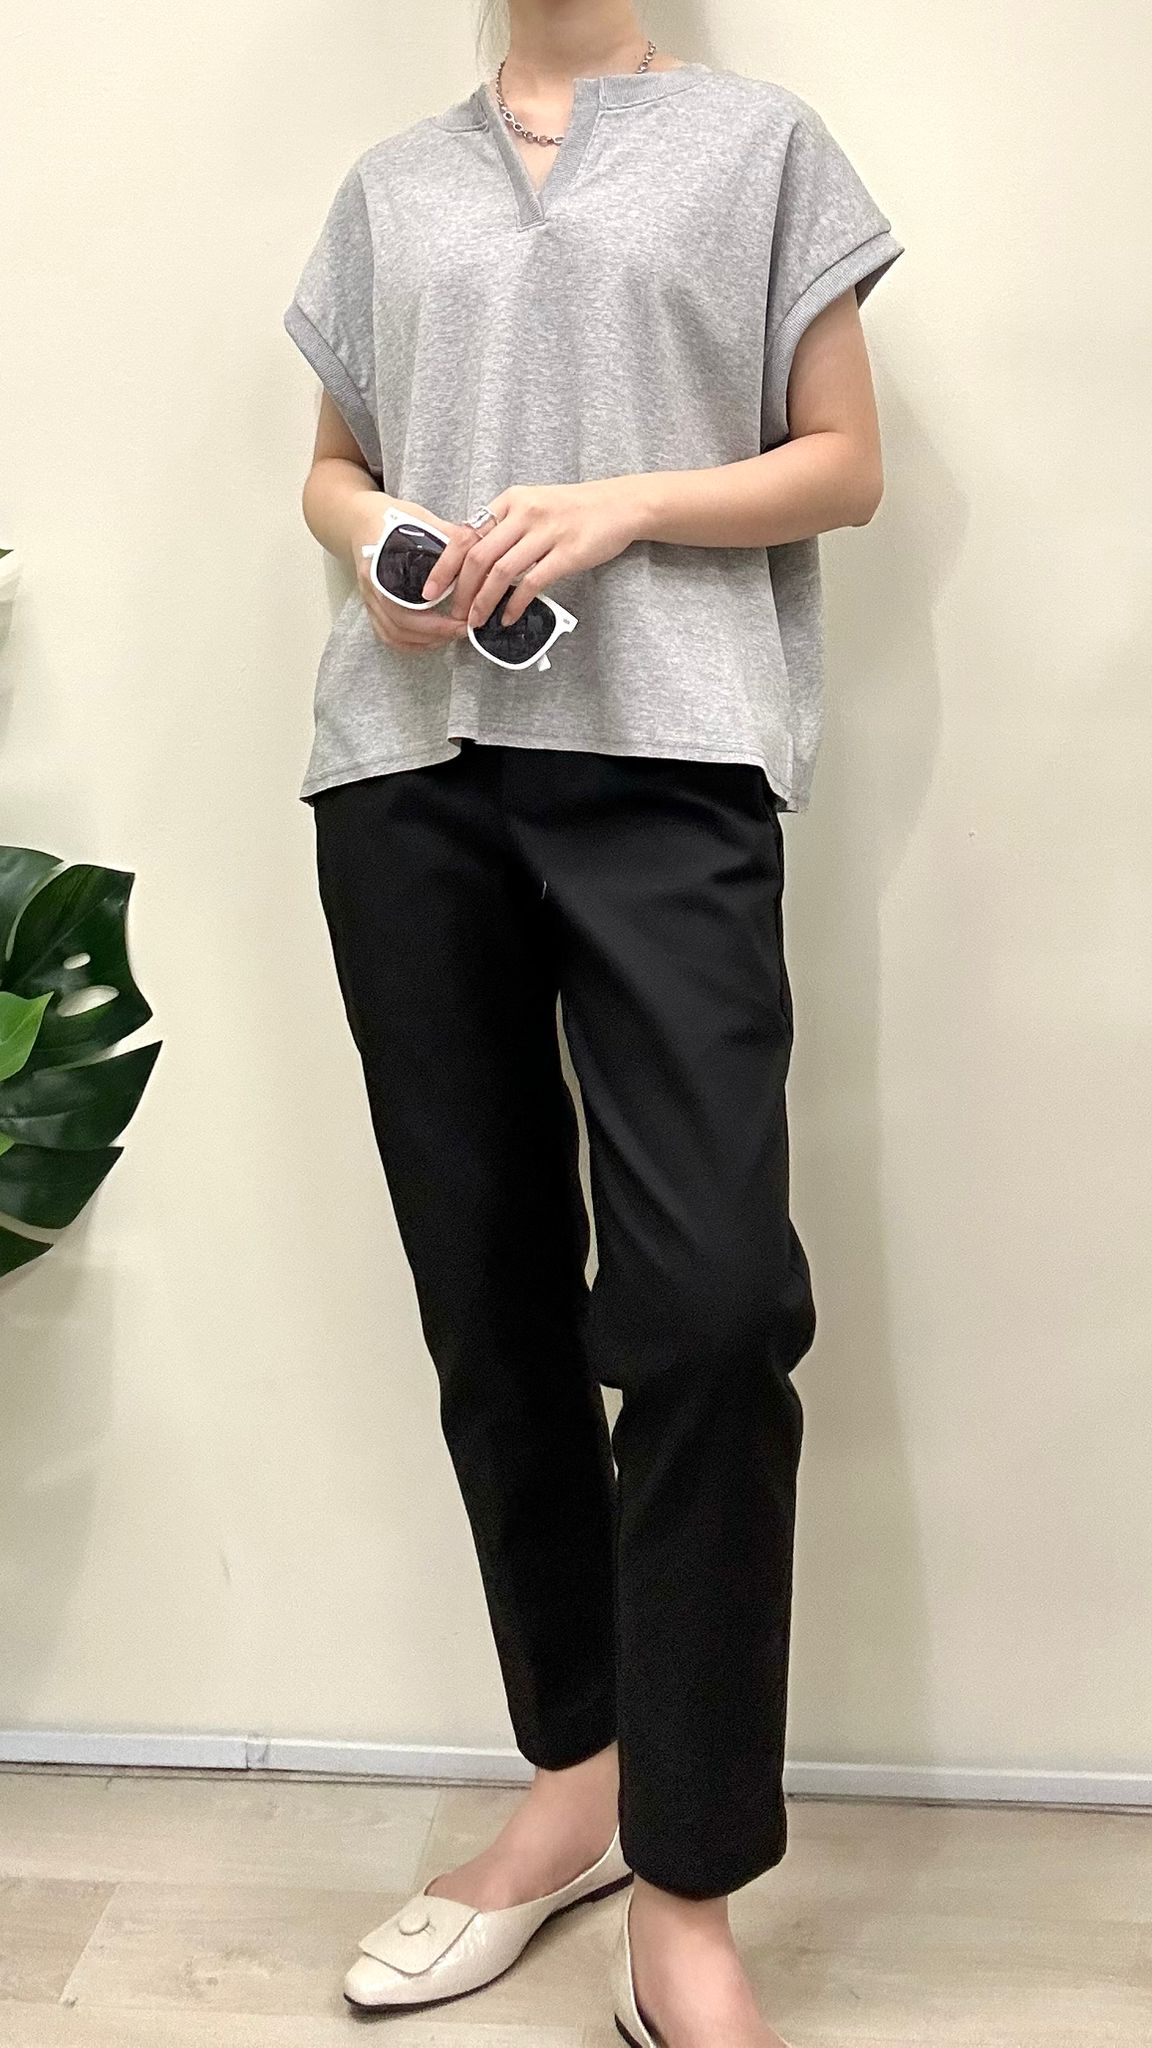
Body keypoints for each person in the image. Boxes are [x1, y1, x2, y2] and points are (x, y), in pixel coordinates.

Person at [282, 3, 903, 2042]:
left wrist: (621, 504)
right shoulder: (394, 184)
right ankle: (578, 1780)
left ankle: (686, 1884)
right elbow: (332, 468)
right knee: (491, 1300)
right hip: (409, 773)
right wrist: (377, 545)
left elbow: (847, 467)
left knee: (711, 1307)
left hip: (672, 764)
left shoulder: (759, 147)